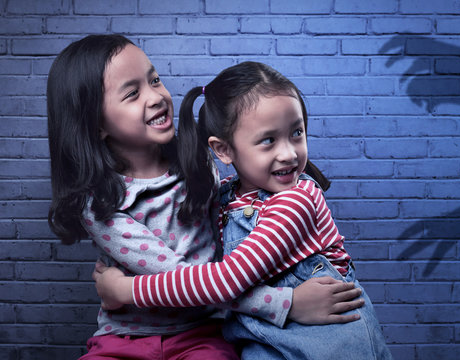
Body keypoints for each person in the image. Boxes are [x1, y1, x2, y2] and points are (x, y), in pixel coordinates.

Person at [47, 35, 365, 360]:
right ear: (96, 124)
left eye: (154, 80)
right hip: (126, 336)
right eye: (132, 93)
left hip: (202, 332)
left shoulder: (197, 162)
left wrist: (121, 290)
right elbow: (181, 276)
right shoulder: (100, 203)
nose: (156, 96)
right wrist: (284, 303)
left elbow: (217, 275)